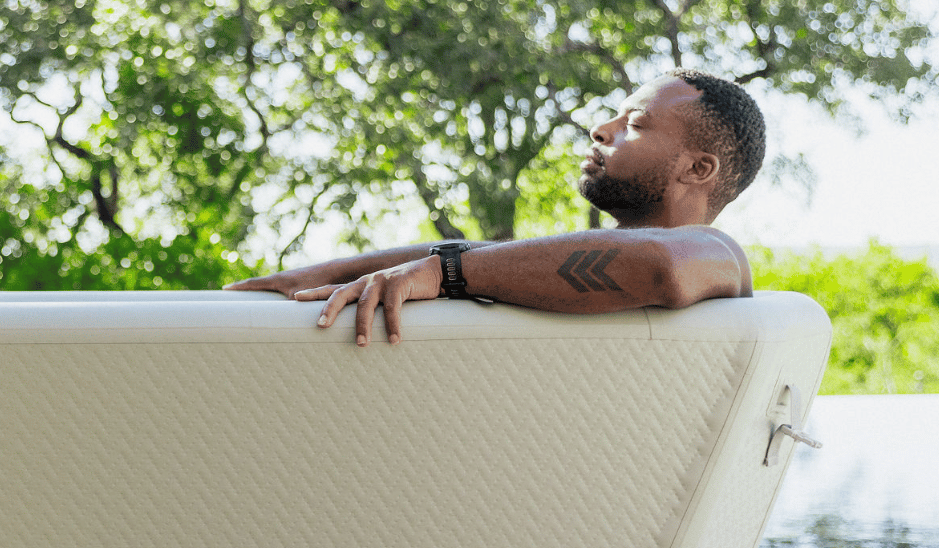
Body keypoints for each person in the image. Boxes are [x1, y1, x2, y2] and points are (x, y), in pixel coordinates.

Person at [226, 69, 766, 345]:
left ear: (699, 170)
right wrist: (319, 275)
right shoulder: (571, 265)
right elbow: (500, 255)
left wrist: (448, 273)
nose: (601, 130)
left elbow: (661, 266)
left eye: (635, 124)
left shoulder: (716, 256)